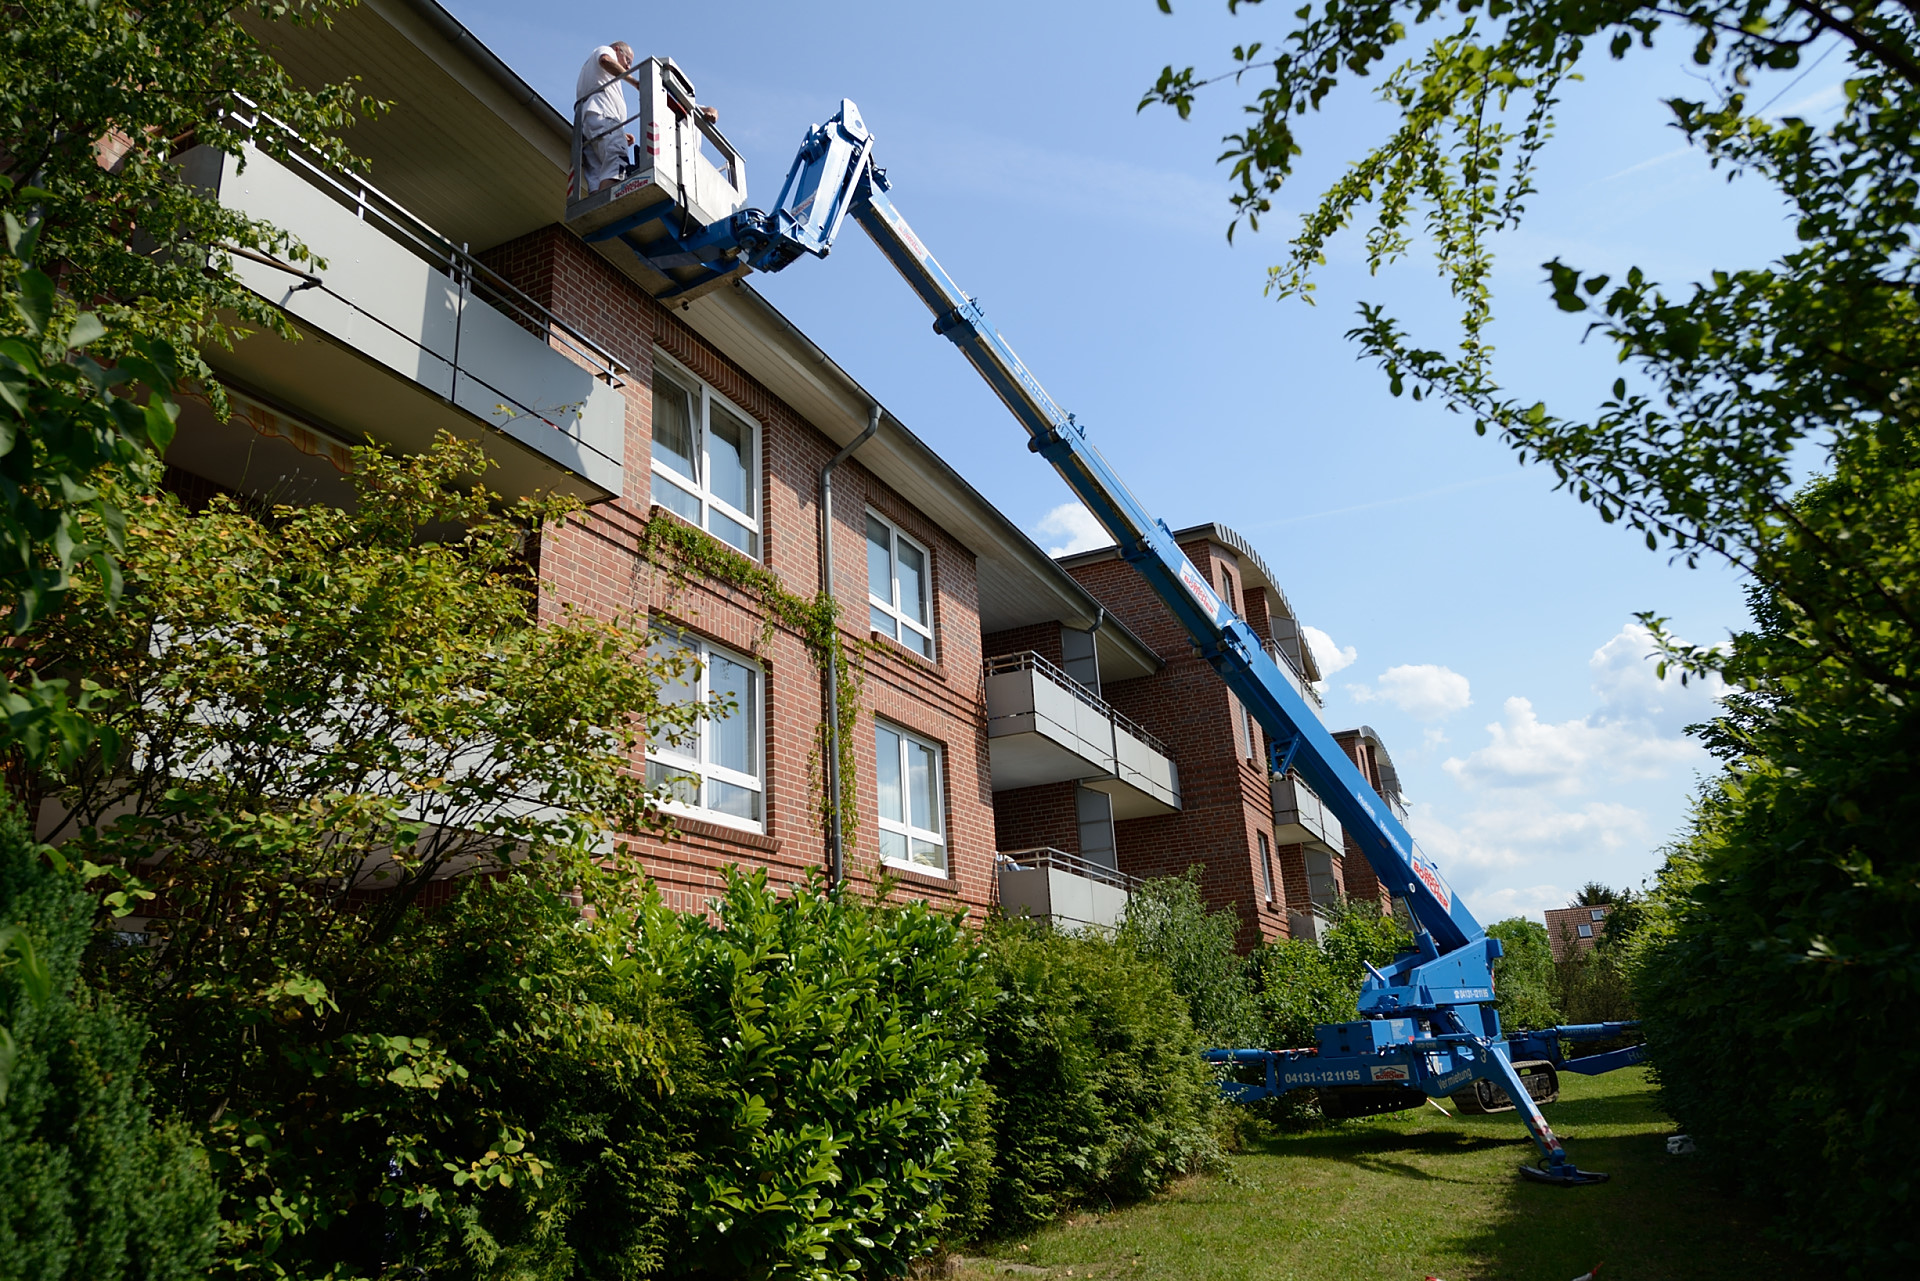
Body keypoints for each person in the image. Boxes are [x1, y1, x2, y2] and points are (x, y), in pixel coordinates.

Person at [575, 41, 636, 192]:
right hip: (603, 114)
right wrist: (635, 82)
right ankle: (608, 206)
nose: (628, 67)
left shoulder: (591, 71)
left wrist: (620, 131)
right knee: (616, 159)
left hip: (590, 121)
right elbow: (606, 60)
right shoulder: (605, 50)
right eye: (628, 60)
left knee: (597, 173)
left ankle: (597, 208)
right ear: (617, 50)